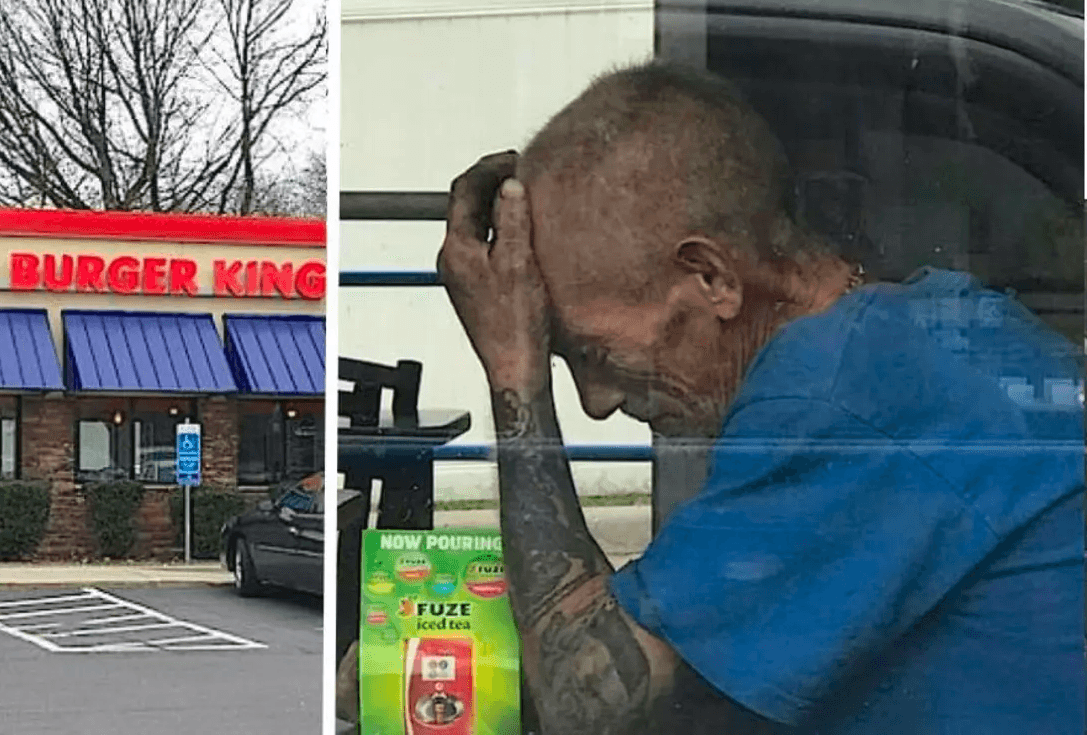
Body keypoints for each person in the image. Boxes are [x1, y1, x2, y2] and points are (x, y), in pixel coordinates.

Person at [429, 61, 1084, 734]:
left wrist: (517, 373)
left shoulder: (840, 399)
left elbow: (590, 703)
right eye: (569, 365)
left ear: (713, 277)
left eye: (594, 354)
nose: (595, 402)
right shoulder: (898, 340)